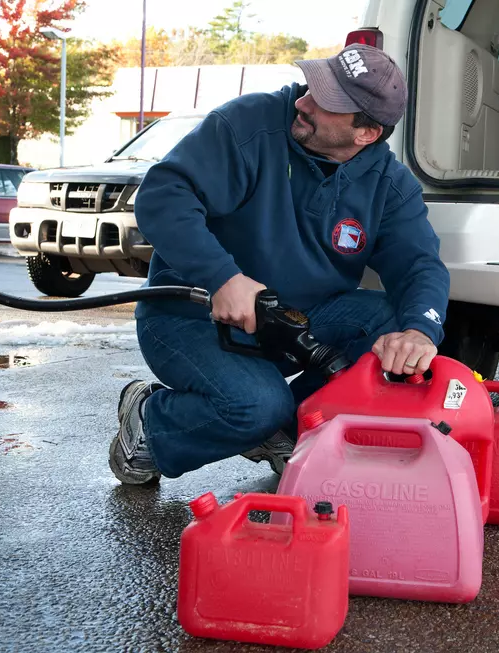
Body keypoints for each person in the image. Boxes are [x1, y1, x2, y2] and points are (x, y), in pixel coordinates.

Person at [109, 44, 450, 485]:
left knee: (388, 324)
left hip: (292, 321)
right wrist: (223, 278)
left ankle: (288, 432)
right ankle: (151, 424)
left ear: (366, 133)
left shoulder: (389, 185)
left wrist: (420, 331)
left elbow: (420, 265)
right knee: (254, 405)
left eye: (327, 104)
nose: (304, 102)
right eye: (312, 86)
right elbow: (162, 196)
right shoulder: (249, 124)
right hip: (190, 315)